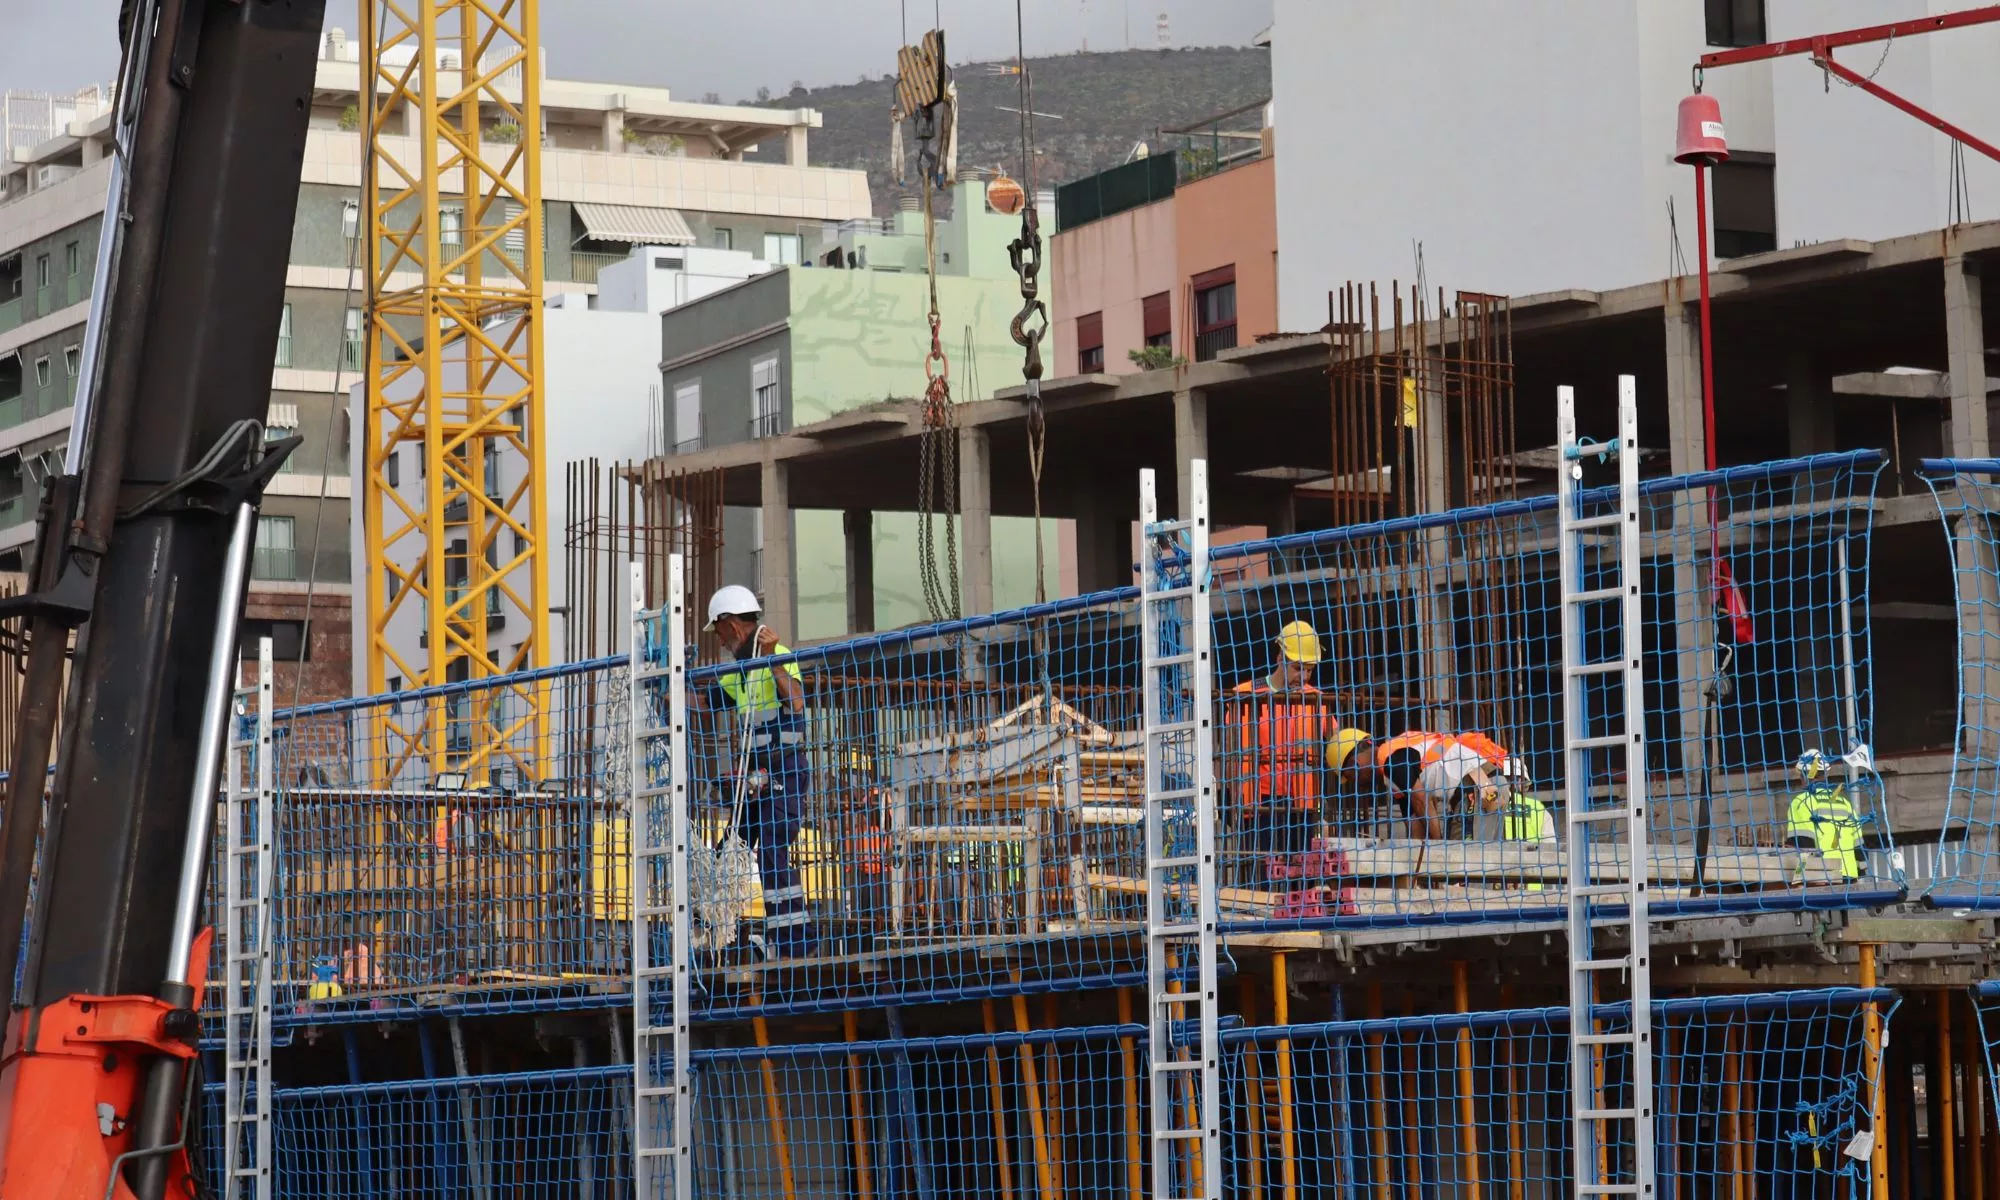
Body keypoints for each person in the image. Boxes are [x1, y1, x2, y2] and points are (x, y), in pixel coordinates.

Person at [703, 584, 817, 956]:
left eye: (718, 630)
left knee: (771, 849)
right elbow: (707, 702)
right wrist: (662, 687)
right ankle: (713, 931)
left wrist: (772, 660)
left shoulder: (777, 654)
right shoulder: (739, 670)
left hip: (784, 772)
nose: (719, 640)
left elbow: (797, 702)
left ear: (731, 625)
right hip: (755, 780)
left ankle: (793, 943)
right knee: (730, 849)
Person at [1230, 620, 1334, 883]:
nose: (1305, 676)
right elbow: (1229, 752)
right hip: (1259, 804)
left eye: (1310, 670)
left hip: (1302, 805)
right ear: (1280, 658)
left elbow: (1335, 744)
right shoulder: (1246, 695)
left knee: (1302, 876)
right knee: (1262, 876)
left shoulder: (1315, 699)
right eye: (1299, 668)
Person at [1328, 728, 1506, 841]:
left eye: (1351, 777)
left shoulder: (1392, 759)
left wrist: (1437, 847)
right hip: (1490, 787)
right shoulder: (1395, 772)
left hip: (1476, 791)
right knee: (1481, 866)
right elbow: (1415, 827)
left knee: (1464, 867)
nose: (1357, 785)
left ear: (1354, 763)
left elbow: (1422, 800)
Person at [1785, 748, 1863, 881]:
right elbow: (1858, 846)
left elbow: (1803, 845)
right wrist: (1860, 872)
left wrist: (1798, 879)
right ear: (1826, 774)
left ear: (1804, 775)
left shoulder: (1801, 802)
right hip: (1850, 876)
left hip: (1822, 877)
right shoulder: (1844, 803)